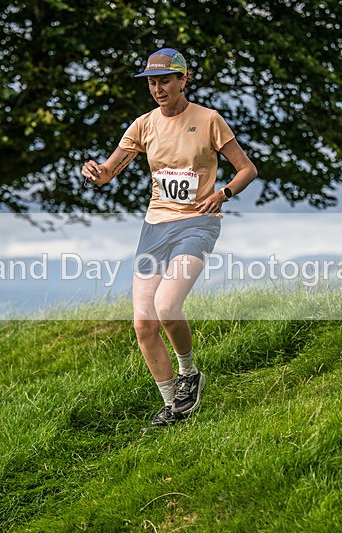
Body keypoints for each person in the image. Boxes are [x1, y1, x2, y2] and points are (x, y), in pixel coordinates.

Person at [81, 48, 257, 427]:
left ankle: (189, 374)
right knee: (143, 323)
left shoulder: (209, 120)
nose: (158, 89)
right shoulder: (143, 125)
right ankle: (173, 405)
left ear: (183, 80)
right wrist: (96, 173)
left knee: (166, 306)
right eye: (152, 83)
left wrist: (223, 193)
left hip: (197, 224)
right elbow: (109, 172)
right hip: (155, 228)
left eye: (165, 81)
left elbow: (247, 169)